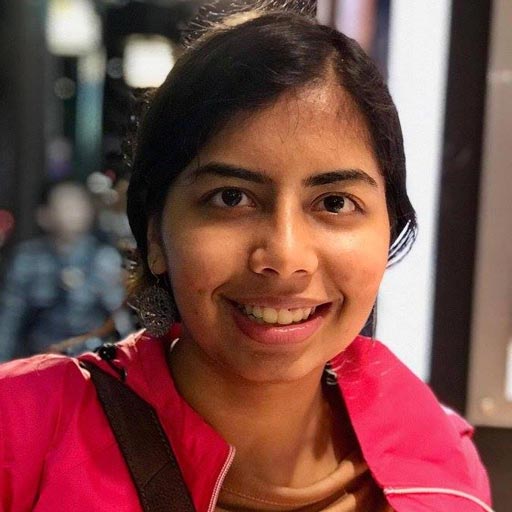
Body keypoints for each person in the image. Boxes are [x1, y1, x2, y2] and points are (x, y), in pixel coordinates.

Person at [0, 3, 493, 511]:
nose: (285, 256)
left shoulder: (444, 465)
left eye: (334, 203)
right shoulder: (18, 437)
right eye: (231, 198)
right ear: (154, 234)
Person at [0, 180, 125, 360]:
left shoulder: (104, 258)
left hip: (90, 359)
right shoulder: (27, 258)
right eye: (65, 206)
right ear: (44, 215)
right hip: (39, 358)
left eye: (78, 205)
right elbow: (10, 317)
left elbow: (118, 317)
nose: (73, 213)